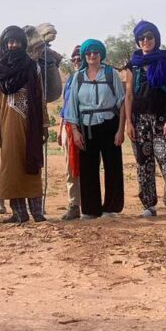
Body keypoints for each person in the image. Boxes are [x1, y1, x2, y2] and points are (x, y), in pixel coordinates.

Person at [124, 21, 166, 219]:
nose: (145, 41)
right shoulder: (133, 64)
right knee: (143, 162)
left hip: (162, 119)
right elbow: (129, 95)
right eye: (141, 38)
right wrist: (129, 122)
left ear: (156, 38)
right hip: (139, 120)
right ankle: (149, 205)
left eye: (149, 37)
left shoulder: (165, 61)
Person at [0, 25, 48, 222]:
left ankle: (37, 212)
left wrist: (44, 125)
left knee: (31, 164)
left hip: (31, 124)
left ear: (23, 44)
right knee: (11, 167)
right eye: (9, 42)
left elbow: (40, 97)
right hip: (7, 126)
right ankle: (19, 213)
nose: (12, 45)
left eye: (16, 42)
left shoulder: (33, 67)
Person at [64, 39, 126, 218]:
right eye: (89, 53)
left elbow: (122, 102)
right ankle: (90, 209)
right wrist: (75, 131)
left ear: (101, 55)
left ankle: (111, 208)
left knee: (113, 166)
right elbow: (72, 106)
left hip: (109, 123)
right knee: (88, 167)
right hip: (86, 126)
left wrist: (120, 130)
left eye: (95, 52)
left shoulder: (111, 74)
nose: (92, 55)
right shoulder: (78, 77)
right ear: (85, 55)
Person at [57, 45, 82, 220]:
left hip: (86, 125)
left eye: (79, 59)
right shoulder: (71, 80)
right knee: (70, 167)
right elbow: (65, 106)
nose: (76, 62)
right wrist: (59, 130)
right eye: (73, 59)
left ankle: (90, 203)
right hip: (68, 127)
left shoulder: (90, 78)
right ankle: (74, 204)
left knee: (88, 166)